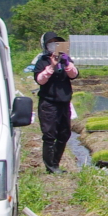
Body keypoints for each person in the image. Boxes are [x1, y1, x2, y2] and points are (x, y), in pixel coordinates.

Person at [28, 33, 79, 173]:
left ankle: (55, 163)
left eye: (57, 43)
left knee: (64, 134)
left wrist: (67, 63)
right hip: (48, 103)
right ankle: (50, 167)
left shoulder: (66, 60)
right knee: (49, 135)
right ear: (45, 45)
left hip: (64, 102)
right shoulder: (42, 61)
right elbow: (40, 80)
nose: (54, 46)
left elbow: (74, 75)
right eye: (51, 43)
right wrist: (51, 67)